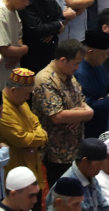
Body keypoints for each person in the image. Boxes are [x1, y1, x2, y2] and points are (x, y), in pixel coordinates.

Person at [33, 39, 92, 185]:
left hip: (75, 150)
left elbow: (81, 101)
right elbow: (57, 116)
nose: (78, 68)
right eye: (76, 63)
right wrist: (87, 114)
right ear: (63, 60)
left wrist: (79, 114)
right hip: (55, 155)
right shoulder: (45, 79)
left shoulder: (69, 77)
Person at [0, 68, 48, 185]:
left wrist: (37, 138)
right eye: (27, 93)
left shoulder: (22, 103)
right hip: (16, 175)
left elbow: (37, 123)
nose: (28, 98)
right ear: (14, 90)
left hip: (32, 168)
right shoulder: (2, 110)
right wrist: (41, 137)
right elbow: (22, 140)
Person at [20, 0, 66, 73]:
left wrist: (52, 30)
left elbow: (61, 17)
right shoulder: (27, 2)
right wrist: (57, 27)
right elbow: (37, 29)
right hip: (35, 55)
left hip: (52, 51)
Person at [47, 138, 109, 211]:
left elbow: (103, 206)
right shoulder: (64, 186)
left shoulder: (91, 177)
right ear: (85, 161)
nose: (101, 168)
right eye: (98, 164)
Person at [75, 30, 109, 138]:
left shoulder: (100, 66)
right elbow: (89, 105)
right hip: (88, 130)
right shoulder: (80, 73)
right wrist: (108, 100)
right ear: (90, 52)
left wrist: (104, 100)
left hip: (103, 125)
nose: (106, 57)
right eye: (104, 54)